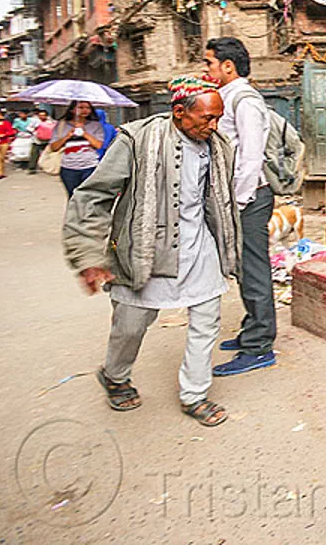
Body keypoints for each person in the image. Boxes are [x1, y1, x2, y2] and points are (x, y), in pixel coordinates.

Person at [63, 76, 241, 427]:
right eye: (207, 118)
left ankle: (195, 393)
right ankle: (114, 375)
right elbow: (91, 198)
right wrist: (86, 256)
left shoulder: (217, 145)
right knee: (131, 324)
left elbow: (218, 201)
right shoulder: (136, 139)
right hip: (143, 247)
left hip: (198, 246)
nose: (214, 126)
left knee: (206, 320)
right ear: (178, 112)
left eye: (218, 118)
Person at [204, 37, 276, 376]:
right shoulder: (227, 98)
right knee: (244, 270)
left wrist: (240, 201)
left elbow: (250, 156)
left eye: (210, 63)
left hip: (249, 198)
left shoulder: (245, 100)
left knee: (254, 270)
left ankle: (260, 346)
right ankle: (252, 329)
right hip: (238, 198)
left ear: (227, 66)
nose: (206, 69)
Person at [50, 101, 105, 197]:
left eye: (88, 108)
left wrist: (84, 133)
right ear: (72, 110)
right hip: (68, 168)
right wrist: (68, 136)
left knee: (88, 197)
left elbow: (98, 145)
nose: (85, 110)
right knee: (73, 197)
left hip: (90, 166)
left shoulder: (96, 125)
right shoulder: (62, 125)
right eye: (80, 107)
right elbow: (54, 147)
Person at [0, 109, 15, 179]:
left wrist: (4, 135)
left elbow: (11, 132)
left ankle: (2, 171)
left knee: (2, 158)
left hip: (4, 142)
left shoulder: (6, 123)